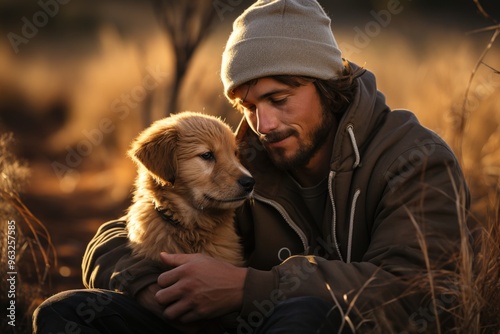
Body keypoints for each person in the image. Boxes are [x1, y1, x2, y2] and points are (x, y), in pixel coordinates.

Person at [33, 0, 470, 333]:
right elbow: (116, 236)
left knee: (308, 313)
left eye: (279, 100)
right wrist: (149, 287)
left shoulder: (415, 159)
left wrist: (248, 289)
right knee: (64, 313)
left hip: (318, 322)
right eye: (248, 106)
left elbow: (419, 290)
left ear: (327, 84)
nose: (263, 124)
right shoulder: (245, 155)